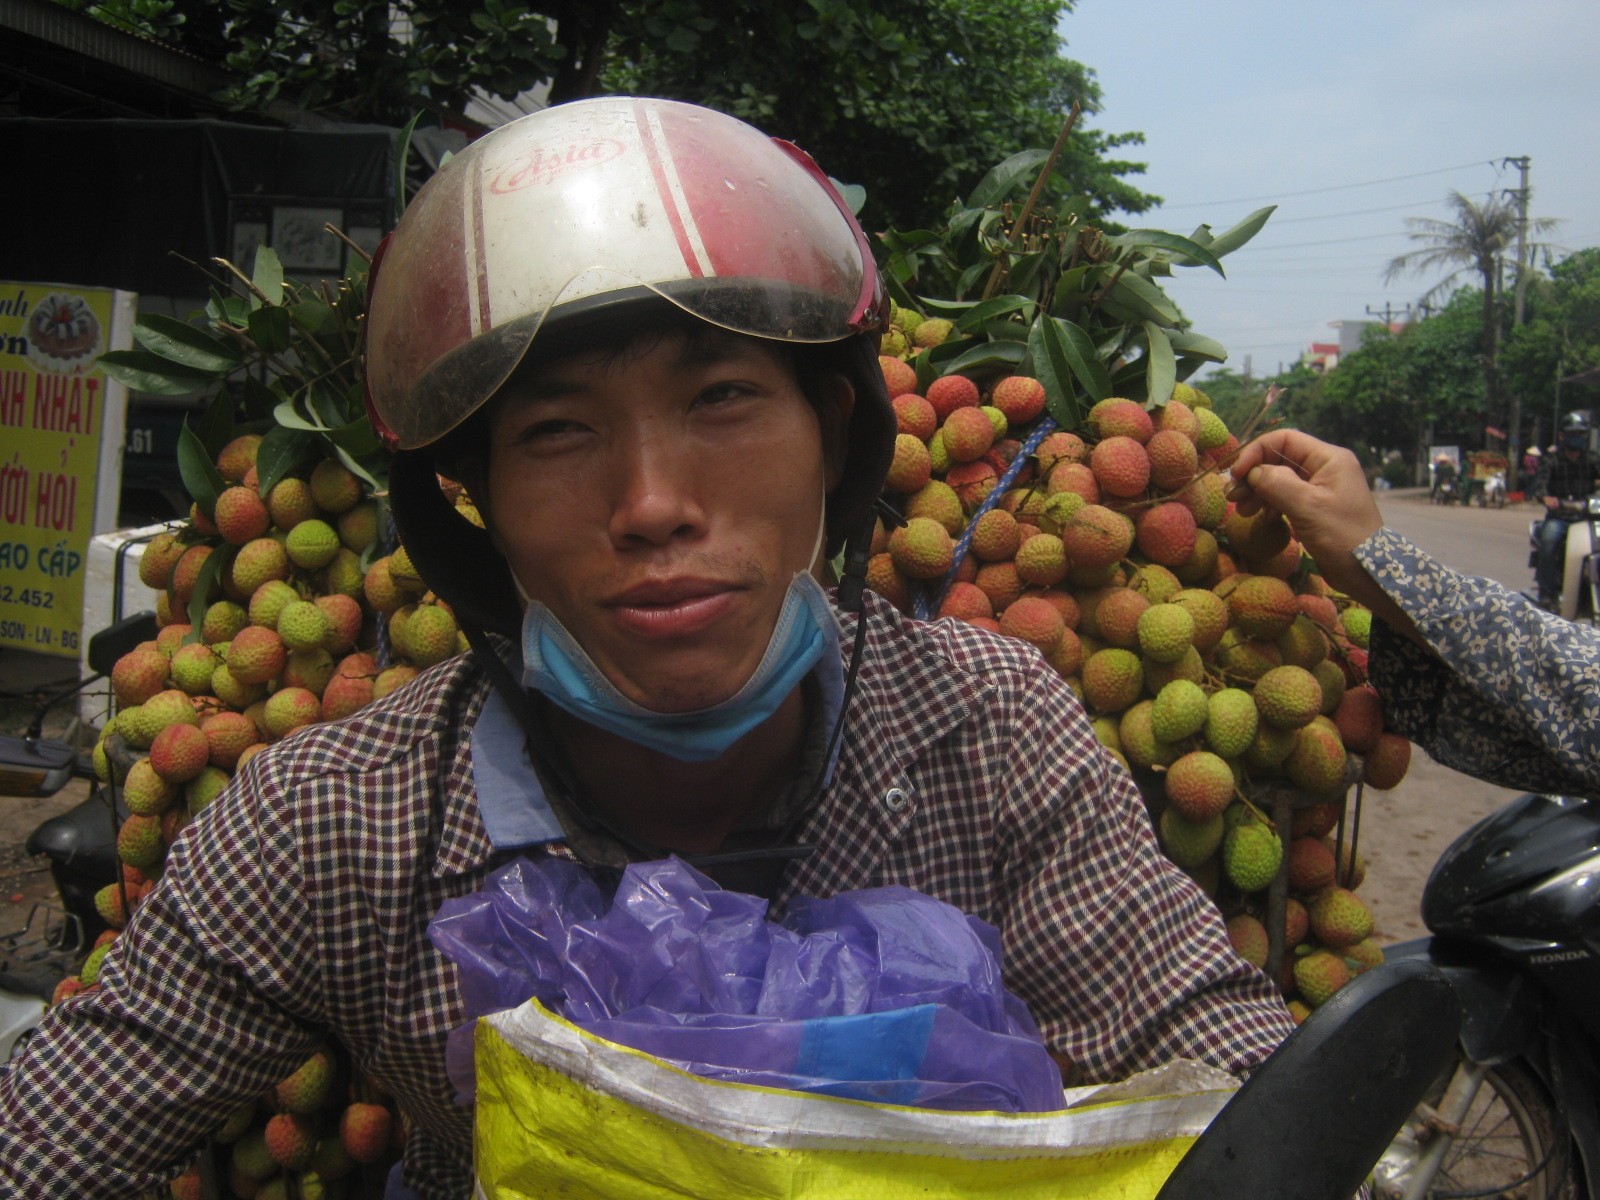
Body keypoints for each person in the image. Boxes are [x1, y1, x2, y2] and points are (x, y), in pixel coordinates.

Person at [0, 98, 1293, 1198]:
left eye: (723, 398)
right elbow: (51, 1136)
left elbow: (1222, 1056)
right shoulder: (339, 826)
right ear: (474, 505)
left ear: (838, 443)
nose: (653, 502)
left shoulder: (988, 730)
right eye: (558, 431)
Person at [1228, 428, 1600, 799]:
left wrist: (1375, 559)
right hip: (1553, 520)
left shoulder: (1587, 464)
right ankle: (1549, 587)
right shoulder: (1553, 463)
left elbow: (1559, 687)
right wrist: (1371, 559)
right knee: (1550, 538)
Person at [1529, 412, 1600, 610]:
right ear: (1562, 436)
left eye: (1581, 433)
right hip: (1560, 517)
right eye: (1573, 433)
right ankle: (1547, 593)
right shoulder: (1551, 460)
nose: (1577, 437)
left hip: (1587, 518)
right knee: (1549, 541)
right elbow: (1540, 486)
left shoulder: (1592, 459)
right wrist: (1546, 498)